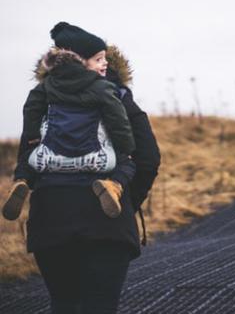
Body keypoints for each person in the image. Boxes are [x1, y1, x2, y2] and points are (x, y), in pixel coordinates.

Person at [6, 23, 161, 313]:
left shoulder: (42, 95)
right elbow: (148, 158)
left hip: (50, 216)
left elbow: (28, 151)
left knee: (64, 303)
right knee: (99, 304)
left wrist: (27, 180)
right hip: (105, 218)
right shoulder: (118, 97)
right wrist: (126, 199)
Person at [2, 22, 137, 220]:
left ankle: (21, 182)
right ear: (81, 61)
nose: (106, 63)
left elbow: (31, 107)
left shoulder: (47, 85)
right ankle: (114, 186)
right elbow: (118, 119)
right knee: (127, 163)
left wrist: (32, 138)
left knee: (26, 159)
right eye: (99, 59)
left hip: (46, 159)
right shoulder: (102, 87)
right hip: (97, 161)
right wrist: (126, 147)